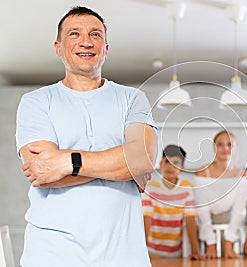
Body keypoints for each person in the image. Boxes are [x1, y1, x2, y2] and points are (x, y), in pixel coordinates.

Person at [15, 6, 158, 267]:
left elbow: (144, 159)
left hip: (123, 254)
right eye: (74, 34)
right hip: (51, 254)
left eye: (95, 34)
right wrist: (124, 165)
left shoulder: (132, 99)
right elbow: (43, 173)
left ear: (105, 48)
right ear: (58, 48)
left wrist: (69, 161)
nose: (86, 41)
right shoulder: (35, 102)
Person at [194, 130, 247, 259]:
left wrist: (229, 243)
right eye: (220, 144)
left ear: (235, 148)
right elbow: (202, 209)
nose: (225, 148)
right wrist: (211, 243)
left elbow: (239, 210)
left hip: (232, 229)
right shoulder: (202, 173)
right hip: (206, 230)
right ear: (214, 147)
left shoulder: (244, 176)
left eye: (230, 144)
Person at [142, 145, 203, 260]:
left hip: (176, 252)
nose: (170, 167)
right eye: (167, 162)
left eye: (175, 163)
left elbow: (190, 220)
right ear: (161, 164)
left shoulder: (186, 188)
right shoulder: (150, 188)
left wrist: (195, 251)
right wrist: (141, 250)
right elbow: (146, 219)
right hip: (151, 251)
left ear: (182, 168)